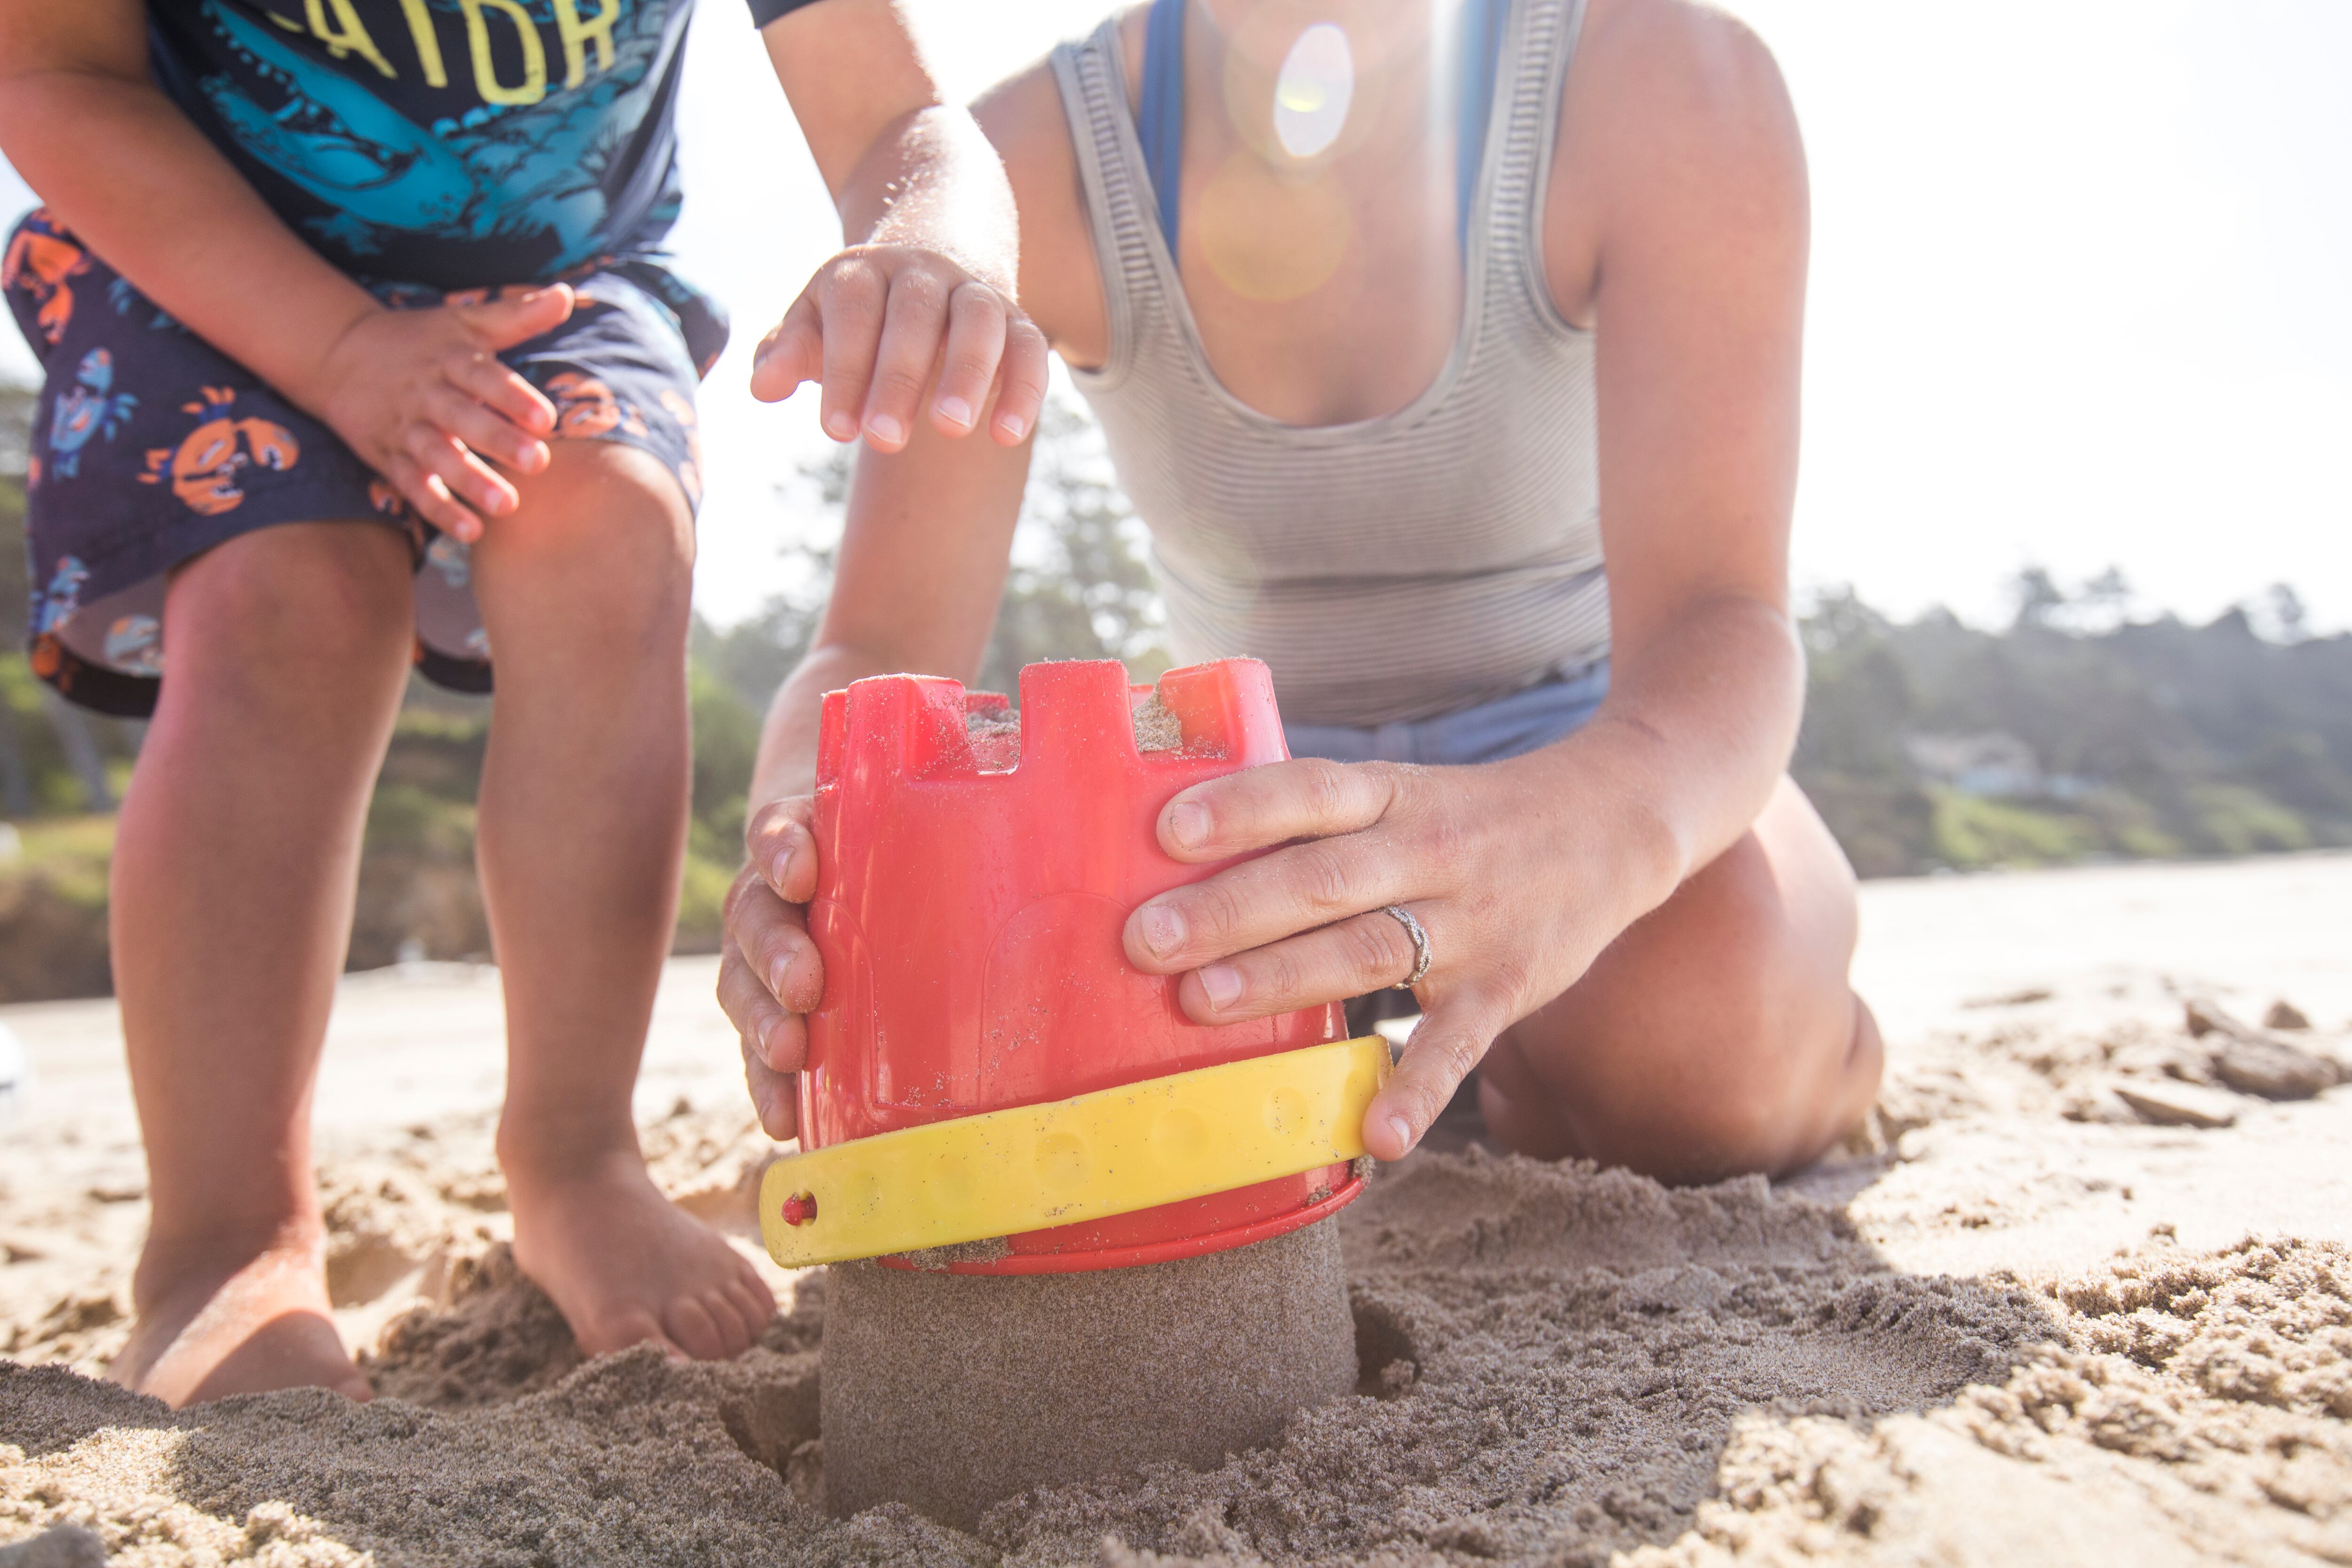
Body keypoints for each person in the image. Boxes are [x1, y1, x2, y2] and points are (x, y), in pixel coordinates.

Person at [0, 0, 1045, 1407]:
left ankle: (574, 1152)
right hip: (215, 249)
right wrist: (337, 348)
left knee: (611, 529)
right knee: (291, 598)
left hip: (565, 273)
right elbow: (55, 71)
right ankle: (223, 1241)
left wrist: (936, 243)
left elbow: (903, 124)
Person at [719, 0, 1883, 1183]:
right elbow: (873, 643)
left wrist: (1597, 832)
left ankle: (1699, 1046)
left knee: (1702, 1049)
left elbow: (1724, 616)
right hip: (1235, 807)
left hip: (1584, 743)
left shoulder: (1668, 81)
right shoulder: (1029, 164)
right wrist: (801, 845)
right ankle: (1477, 1061)